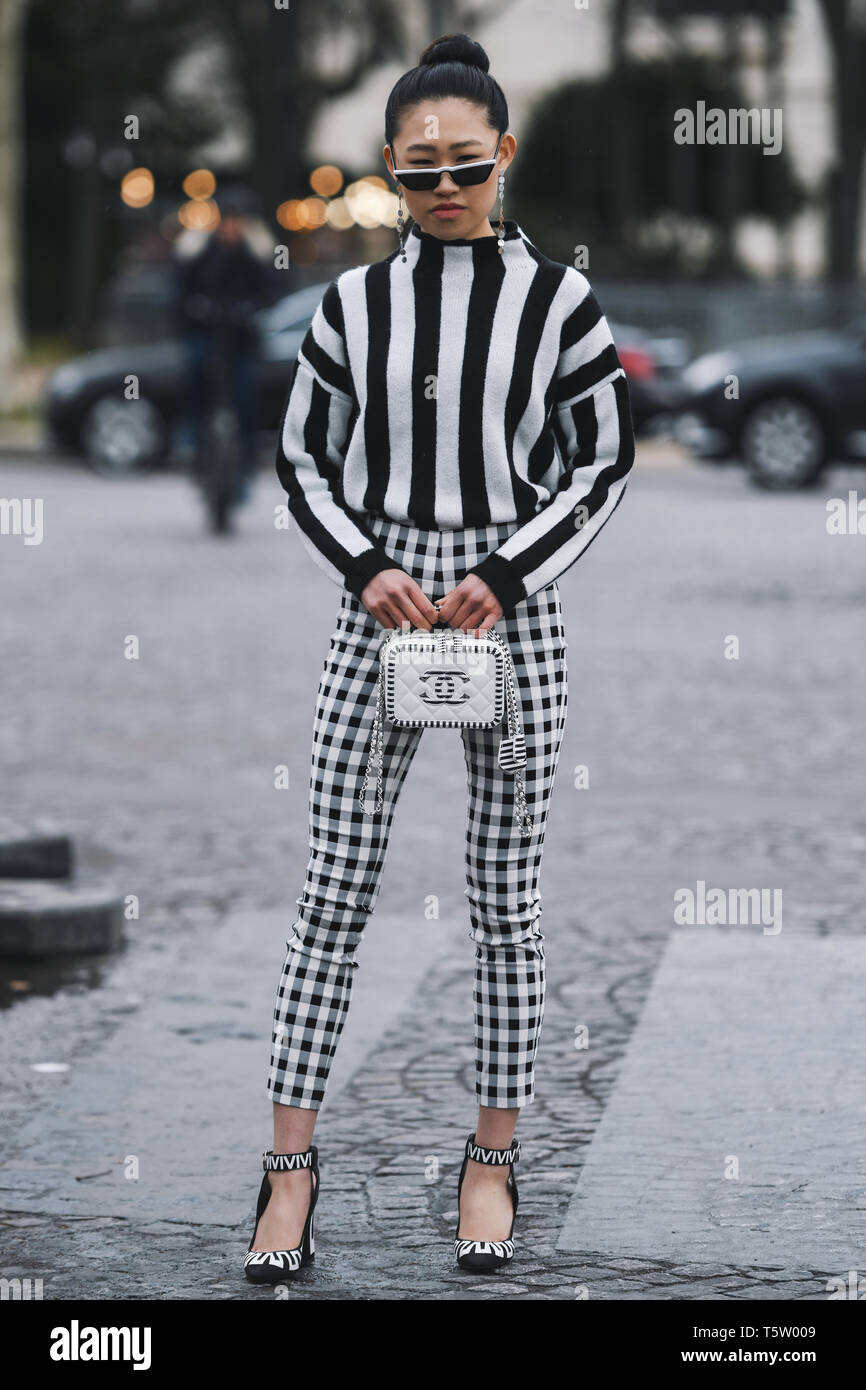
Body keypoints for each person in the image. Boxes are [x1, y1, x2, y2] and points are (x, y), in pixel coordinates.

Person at [243, 32, 636, 1283]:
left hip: (511, 616)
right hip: (381, 610)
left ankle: (490, 1159)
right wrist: (366, 567)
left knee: (504, 907)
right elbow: (301, 457)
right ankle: (289, 1170)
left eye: (465, 165)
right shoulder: (348, 305)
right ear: (389, 171)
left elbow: (602, 455)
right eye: (419, 173)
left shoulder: (559, 301)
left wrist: (511, 571)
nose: (444, 189)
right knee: (331, 895)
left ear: (502, 157)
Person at [173, 189, 271, 504]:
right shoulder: (199, 249)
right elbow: (178, 290)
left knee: (247, 398)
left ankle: (244, 467)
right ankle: (193, 444)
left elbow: (274, 289)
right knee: (196, 376)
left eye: (236, 221)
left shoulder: (256, 252)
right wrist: (195, 308)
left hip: (242, 338)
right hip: (207, 333)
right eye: (226, 220)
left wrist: (252, 309)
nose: (231, 227)